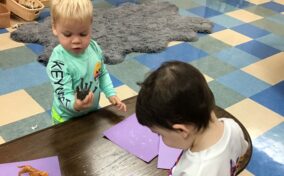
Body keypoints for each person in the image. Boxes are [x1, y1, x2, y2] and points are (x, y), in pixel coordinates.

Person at [136, 61, 248, 176]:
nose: (161, 139)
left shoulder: (195, 171)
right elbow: (242, 154)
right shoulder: (232, 126)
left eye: (160, 134)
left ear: (181, 130)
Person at [46, 0, 126, 124]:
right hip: (66, 119)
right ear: (55, 28)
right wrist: (75, 104)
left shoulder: (94, 48)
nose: (76, 40)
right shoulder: (58, 63)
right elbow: (63, 93)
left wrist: (111, 93)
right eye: (68, 34)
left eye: (83, 33)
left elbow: (102, 73)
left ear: (90, 26)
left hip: (91, 113)